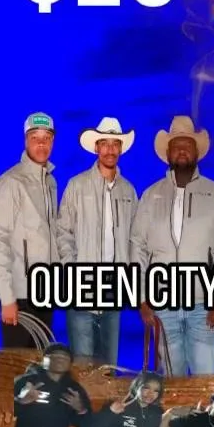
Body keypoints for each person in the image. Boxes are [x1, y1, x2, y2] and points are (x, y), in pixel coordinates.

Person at [129, 116, 214, 375]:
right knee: (170, 386)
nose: (181, 150)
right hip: (163, 306)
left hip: (204, 305)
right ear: (167, 153)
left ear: (197, 152)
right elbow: (138, 247)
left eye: (187, 145)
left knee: (207, 383)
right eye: (176, 145)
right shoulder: (151, 195)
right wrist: (142, 298)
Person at [56, 117, 137, 365]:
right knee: (82, 366)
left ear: (121, 149)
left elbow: (135, 239)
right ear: (96, 148)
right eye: (105, 144)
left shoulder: (129, 191)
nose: (110, 150)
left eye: (115, 144)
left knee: (108, 366)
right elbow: (63, 232)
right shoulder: (76, 186)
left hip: (114, 289)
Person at [0, 111, 59, 350]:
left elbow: (49, 237)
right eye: (35, 137)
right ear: (26, 141)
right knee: (18, 373)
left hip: (45, 292)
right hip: (20, 296)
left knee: (41, 370)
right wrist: (7, 298)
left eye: (47, 138)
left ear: (52, 142)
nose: (41, 143)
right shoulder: (11, 183)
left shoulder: (50, 183)